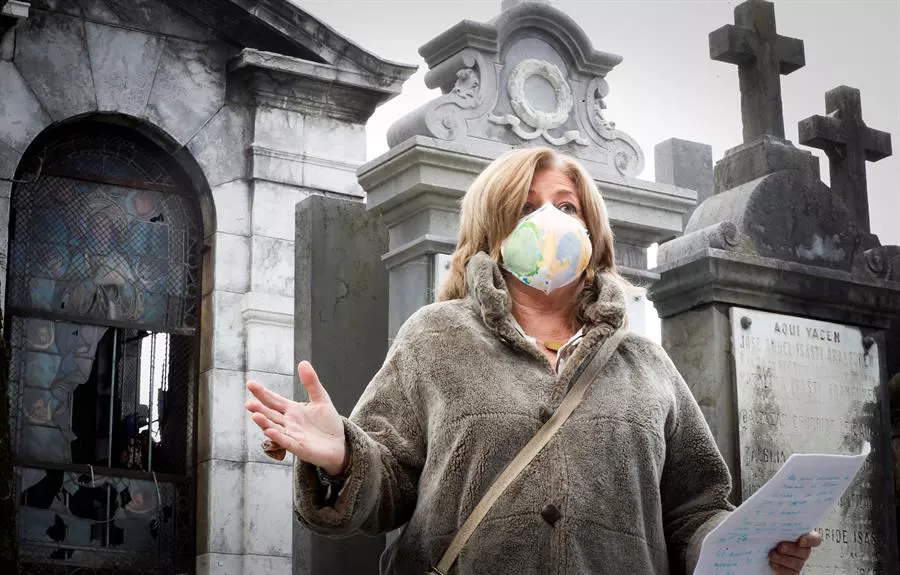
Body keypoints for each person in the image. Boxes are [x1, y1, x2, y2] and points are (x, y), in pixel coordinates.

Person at [246, 147, 821, 574]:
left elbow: (694, 510)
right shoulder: (435, 338)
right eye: (525, 208)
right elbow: (390, 485)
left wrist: (753, 549)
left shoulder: (646, 364)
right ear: (494, 232)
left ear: (592, 232)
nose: (549, 221)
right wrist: (345, 457)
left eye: (566, 206)